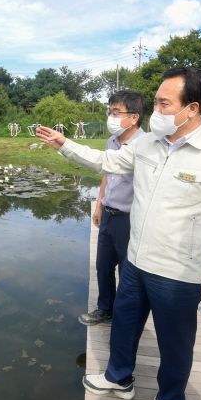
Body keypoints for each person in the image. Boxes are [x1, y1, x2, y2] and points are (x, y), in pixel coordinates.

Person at [37, 67, 201, 400]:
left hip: (178, 272)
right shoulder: (148, 144)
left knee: (175, 343)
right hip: (136, 261)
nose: (156, 110)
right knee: (124, 323)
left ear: (192, 108)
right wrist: (64, 145)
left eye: (164, 103)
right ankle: (119, 377)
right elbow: (108, 162)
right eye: (155, 102)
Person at [78, 90, 145, 326]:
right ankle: (105, 308)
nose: (111, 116)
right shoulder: (112, 142)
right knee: (103, 266)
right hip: (108, 213)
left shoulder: (145, 146)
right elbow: (107, 174)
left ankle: (125, 315)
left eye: (116, 112)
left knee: (127, 270)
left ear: (134, 117)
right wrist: (98, 205)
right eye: (110, 111)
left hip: (129, 218)